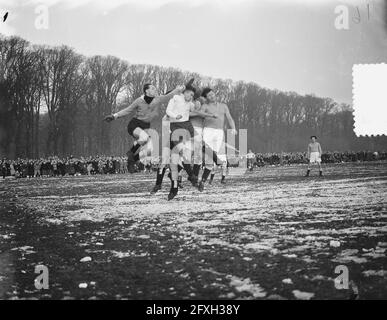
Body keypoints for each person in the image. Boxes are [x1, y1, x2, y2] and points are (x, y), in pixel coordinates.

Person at [104, 82, 187, 173]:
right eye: (152, 88)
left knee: (150, 150)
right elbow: (128, 110)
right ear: (146, 91)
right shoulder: (139, 101)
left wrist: (179, 89)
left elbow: (169, 95)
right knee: (144, 138)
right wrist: (114, 116)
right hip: (135, 124)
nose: (155, 89)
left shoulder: (157, 99)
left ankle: (132, 160)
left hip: (146, 127)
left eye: (155, 88)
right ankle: (131, 152)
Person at [166, 84, 216, 200]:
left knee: (188, 159)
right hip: (185, 132)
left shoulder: (194, 104)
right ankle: (190, 180)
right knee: (186, 158)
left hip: (192, 133)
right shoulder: (191, 103)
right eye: (204, 98)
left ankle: (193, 179)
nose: (203, 101)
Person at [197, 88, 237, 191]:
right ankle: (215, 161)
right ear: (206, 98)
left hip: (219, 132)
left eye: (212, 94)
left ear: (215, 93)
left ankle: (202, 182)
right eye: (209, 96)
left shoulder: (223, 106)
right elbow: (200, 114)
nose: (211, 96)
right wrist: (210, 115)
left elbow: (229, 118)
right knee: (206, 149)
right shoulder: (205, 106)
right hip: (208, 130)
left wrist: (233, 128)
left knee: (211, 160)